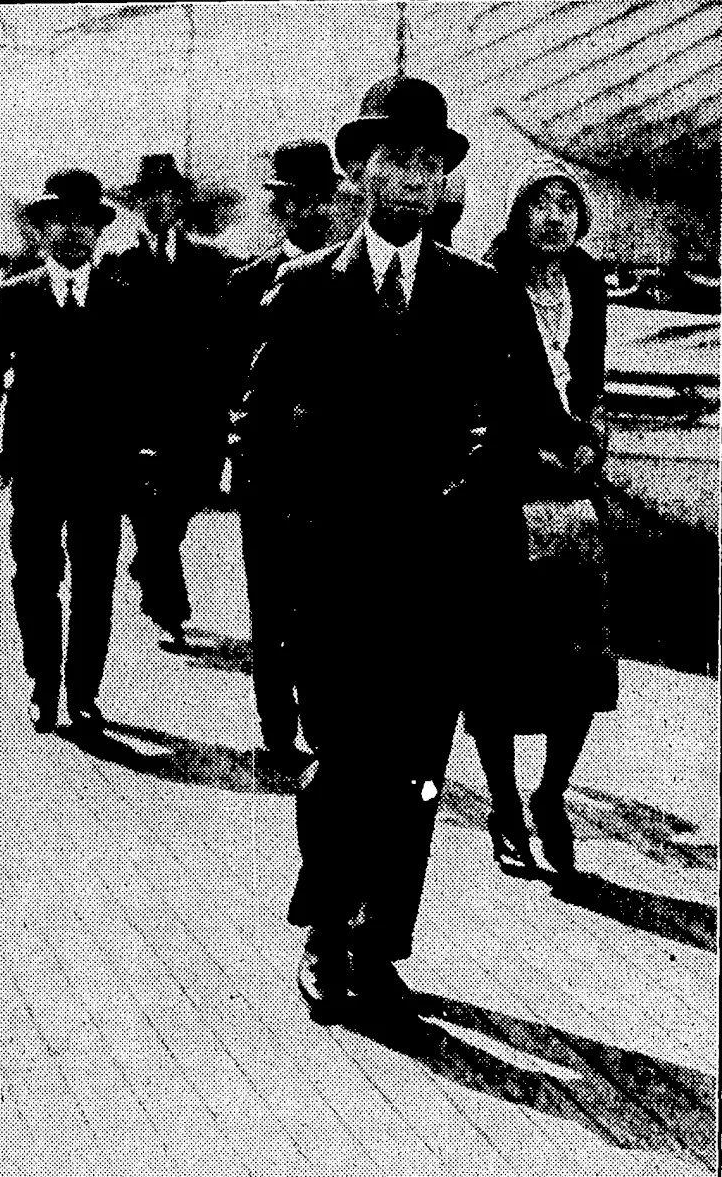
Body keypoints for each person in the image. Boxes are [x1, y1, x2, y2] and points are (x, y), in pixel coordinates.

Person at [243, 76, 514, 1022]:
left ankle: (382, 942)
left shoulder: (481, 296)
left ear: (445, 183)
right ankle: (326, 933)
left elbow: (514, 425)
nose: (412, 177)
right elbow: (260, 433)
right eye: (395, 158)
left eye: (430, 162)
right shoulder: (306, 290)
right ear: (356, 169)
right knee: (338, 760)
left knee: (417, 769)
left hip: (436, 579)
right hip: (333, 578)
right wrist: (287, 555)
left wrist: (465, 494)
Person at [465, 158, 619, 876]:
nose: (555, 216)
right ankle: (501, 799)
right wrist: (536, 444)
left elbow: (590, 375)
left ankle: (550, 793)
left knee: (580, 656)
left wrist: (592, 430)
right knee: (496, 657)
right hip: (504, 485)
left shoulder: (586, 281)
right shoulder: (487, 283)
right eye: (540, 202)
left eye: (567, 203)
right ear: (514, 211)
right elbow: (482, 388)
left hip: (572, 494)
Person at [0, 170, 144, 735]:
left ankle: (83, 693)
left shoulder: (122, 300)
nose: (70, 233)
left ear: (98, 229)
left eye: (81, 222)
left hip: (101, 466)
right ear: (42, 228)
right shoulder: (13, 298)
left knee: (95, 580)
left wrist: (140, 454)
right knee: (37, 576)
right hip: (36, 463)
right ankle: (44, 687)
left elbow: (143, 384)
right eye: (58, 221)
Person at [226, 140, 343, 775]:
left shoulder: (360, 283)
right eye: (292, 203)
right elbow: (221, 377)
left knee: (324, 608)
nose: (306, 215)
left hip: (333, 480)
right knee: (270, 609)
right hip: (267, 473)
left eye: (318, 201)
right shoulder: (246, 284)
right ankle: (277, 736)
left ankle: (326, 731)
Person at [116, 154, 235, 649]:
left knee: (183, 503)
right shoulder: (117, 269)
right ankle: (168, 602)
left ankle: (149, 561)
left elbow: (230, 338)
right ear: (135, 205)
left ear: (181, 203)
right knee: (150, 510)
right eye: (146, 198)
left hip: (197, 416)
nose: (157, 206)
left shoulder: (213, 265)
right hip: (140, 417)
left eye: (167, 196)